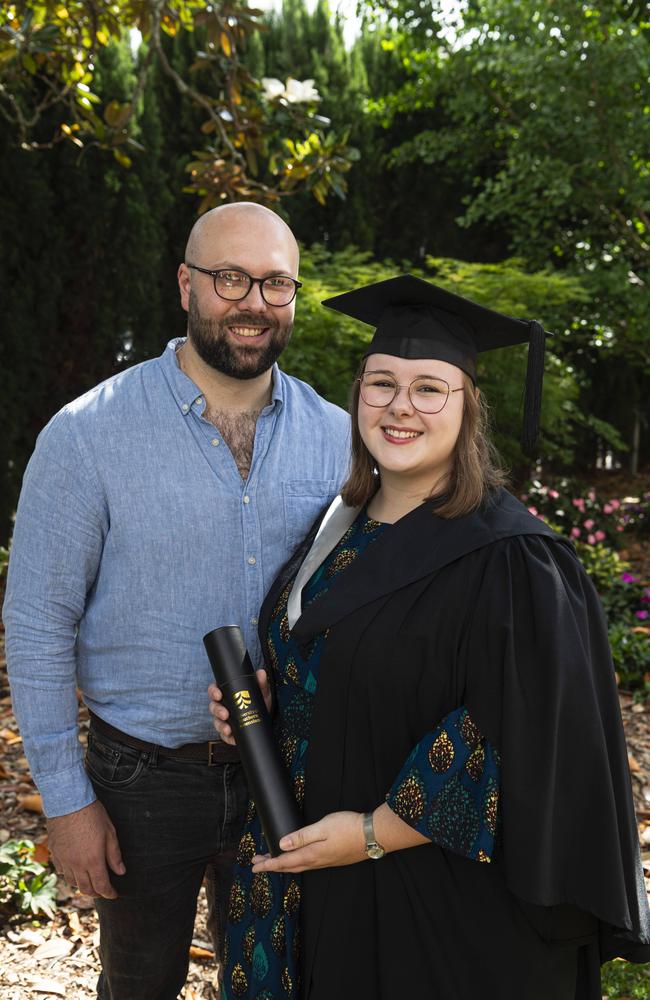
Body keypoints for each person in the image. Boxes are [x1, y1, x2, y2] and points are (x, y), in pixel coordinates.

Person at [209, 274, 650, 1000]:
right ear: (357, 397)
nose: (399, 407)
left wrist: (377, 830)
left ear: (467, 408)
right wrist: (267, 702)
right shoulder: (339, 524)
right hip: (306, 875)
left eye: (428, 388)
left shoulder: (514, 557)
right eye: (381, 383)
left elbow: (521, 723)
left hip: (433, 904)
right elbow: (334, 663)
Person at [2, 202, 351, 1000]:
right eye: (231, 278)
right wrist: (66, 802)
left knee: (274, 982)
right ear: (186, 285)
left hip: (291, 773)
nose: (254, 302)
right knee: (139, 985)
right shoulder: (87, 434)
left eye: (276, 283)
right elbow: (36, 621)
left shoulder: (336, 438)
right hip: (140, 781)